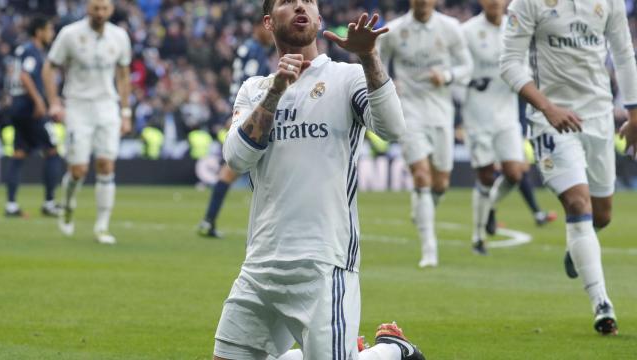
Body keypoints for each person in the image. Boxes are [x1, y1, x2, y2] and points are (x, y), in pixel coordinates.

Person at [213, 0, 423, 358]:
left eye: (308, 0)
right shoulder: (255, 88)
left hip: (323, 263)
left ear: (319, 17)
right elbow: (237, 157)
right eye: (286, 1)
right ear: (268, 21)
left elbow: (392, 128)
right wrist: (276, 90)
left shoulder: (347, 78)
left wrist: (369, 57)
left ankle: (391, 351)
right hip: (260, 262)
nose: (299, 5)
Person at [501, 0, 637, 335]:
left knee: (601, 216)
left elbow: (623, 54)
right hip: (551, 122)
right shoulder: (528, 4)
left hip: (599, 118)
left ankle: (577, 249)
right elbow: (508, 64)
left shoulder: (609, 3)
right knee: (578, 205)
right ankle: (602, 303)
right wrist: (547, 107)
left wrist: (634, 113)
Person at [378, 0, 473, 267]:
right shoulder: (394, 30)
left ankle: (421, 206)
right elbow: (377, 62)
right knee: (421, 175)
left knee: (441, 182)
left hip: (441, 111)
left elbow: (467, 67)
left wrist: (446, 75)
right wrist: (386, 82)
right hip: (409, 110)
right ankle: (429, 249)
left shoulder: (450, 28)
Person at [42, 0, 132, 244]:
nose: (100, 13)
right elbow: (49, 68)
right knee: (78, 170)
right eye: (96, 9)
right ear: (87, 9)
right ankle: (68, 204)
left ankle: (102, 227)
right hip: (78, 106)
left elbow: (123, 75)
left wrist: (125, 112)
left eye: (104, 9)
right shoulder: (70, 34)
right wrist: (54, 102)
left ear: (110, 10)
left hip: (107, 106)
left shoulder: (120, 36)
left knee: (105, 165)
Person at [198, 18, 274, 238]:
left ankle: (208, 220)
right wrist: (240, 113)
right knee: (241, 169)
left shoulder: (246, 48)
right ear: (258, 27)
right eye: (268, 30)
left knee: (232, 170)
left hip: (240, 110)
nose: (271, 35)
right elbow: (248, 81)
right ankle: (209, 220)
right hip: (250, 113)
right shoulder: (255, 50)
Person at [4, 16, 62, 218]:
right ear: (39, 32)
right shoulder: (32, 51)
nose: (51, 34)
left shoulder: (22, 50)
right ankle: (49, 202)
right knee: (53, 150)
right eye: (49, 29)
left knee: (19, 153)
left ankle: (11, 205)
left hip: (17, 107)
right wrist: (39, 101)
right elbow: (25, 76)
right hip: (29, 108)